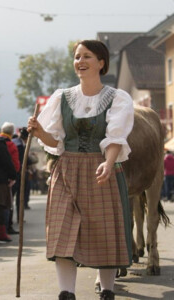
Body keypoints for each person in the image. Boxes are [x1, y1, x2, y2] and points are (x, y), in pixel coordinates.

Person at [27, 40, 134, 300]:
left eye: (87, 56)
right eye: (77, 57)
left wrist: (108, 164)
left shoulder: (118, 98)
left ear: (101, 63)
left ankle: (107, 291)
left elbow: (115, 137)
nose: (80, 61)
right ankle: (67, 293)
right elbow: (56, 143)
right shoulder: (62, 97)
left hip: (100, 170)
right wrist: (41, 132)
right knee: (62, 231)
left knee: (103, 231)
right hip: (66, 171)